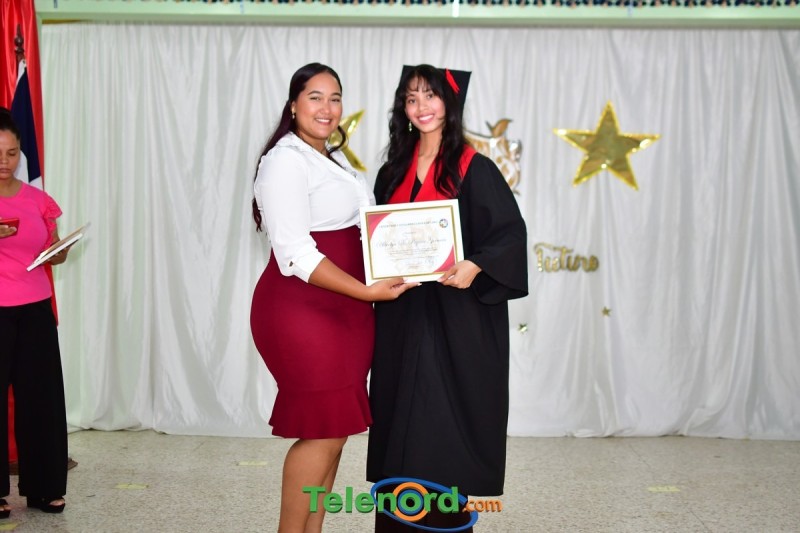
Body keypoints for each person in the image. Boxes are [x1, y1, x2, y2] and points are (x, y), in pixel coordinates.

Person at [249, 63, 416, 533]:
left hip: (346, 313)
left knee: (334, 432)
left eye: (335, 98)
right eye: (315, 96)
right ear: (293, 105)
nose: (327, 108)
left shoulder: (329, 159)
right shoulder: (285, 160)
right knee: (321, 433)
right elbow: (295, 252)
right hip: (304, 311)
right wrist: (365, 291)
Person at [366, 65, 528, 531]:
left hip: (458, 320)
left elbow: (509, 237)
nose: (421, 107)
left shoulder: (474, 167)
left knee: (443, 429)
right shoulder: (391, 172)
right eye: (411, 98)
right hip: (402, 316)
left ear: (449, 103)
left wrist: (474, 265)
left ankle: (444, 526)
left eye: (431, 96)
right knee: (400, 422)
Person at [0, 109, 69, 516]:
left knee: (41, 399)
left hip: (35, 310)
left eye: (11, 153)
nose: (4, 161)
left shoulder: (38, 200)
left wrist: (58, 252)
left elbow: (52, 250)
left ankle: (44, 488)